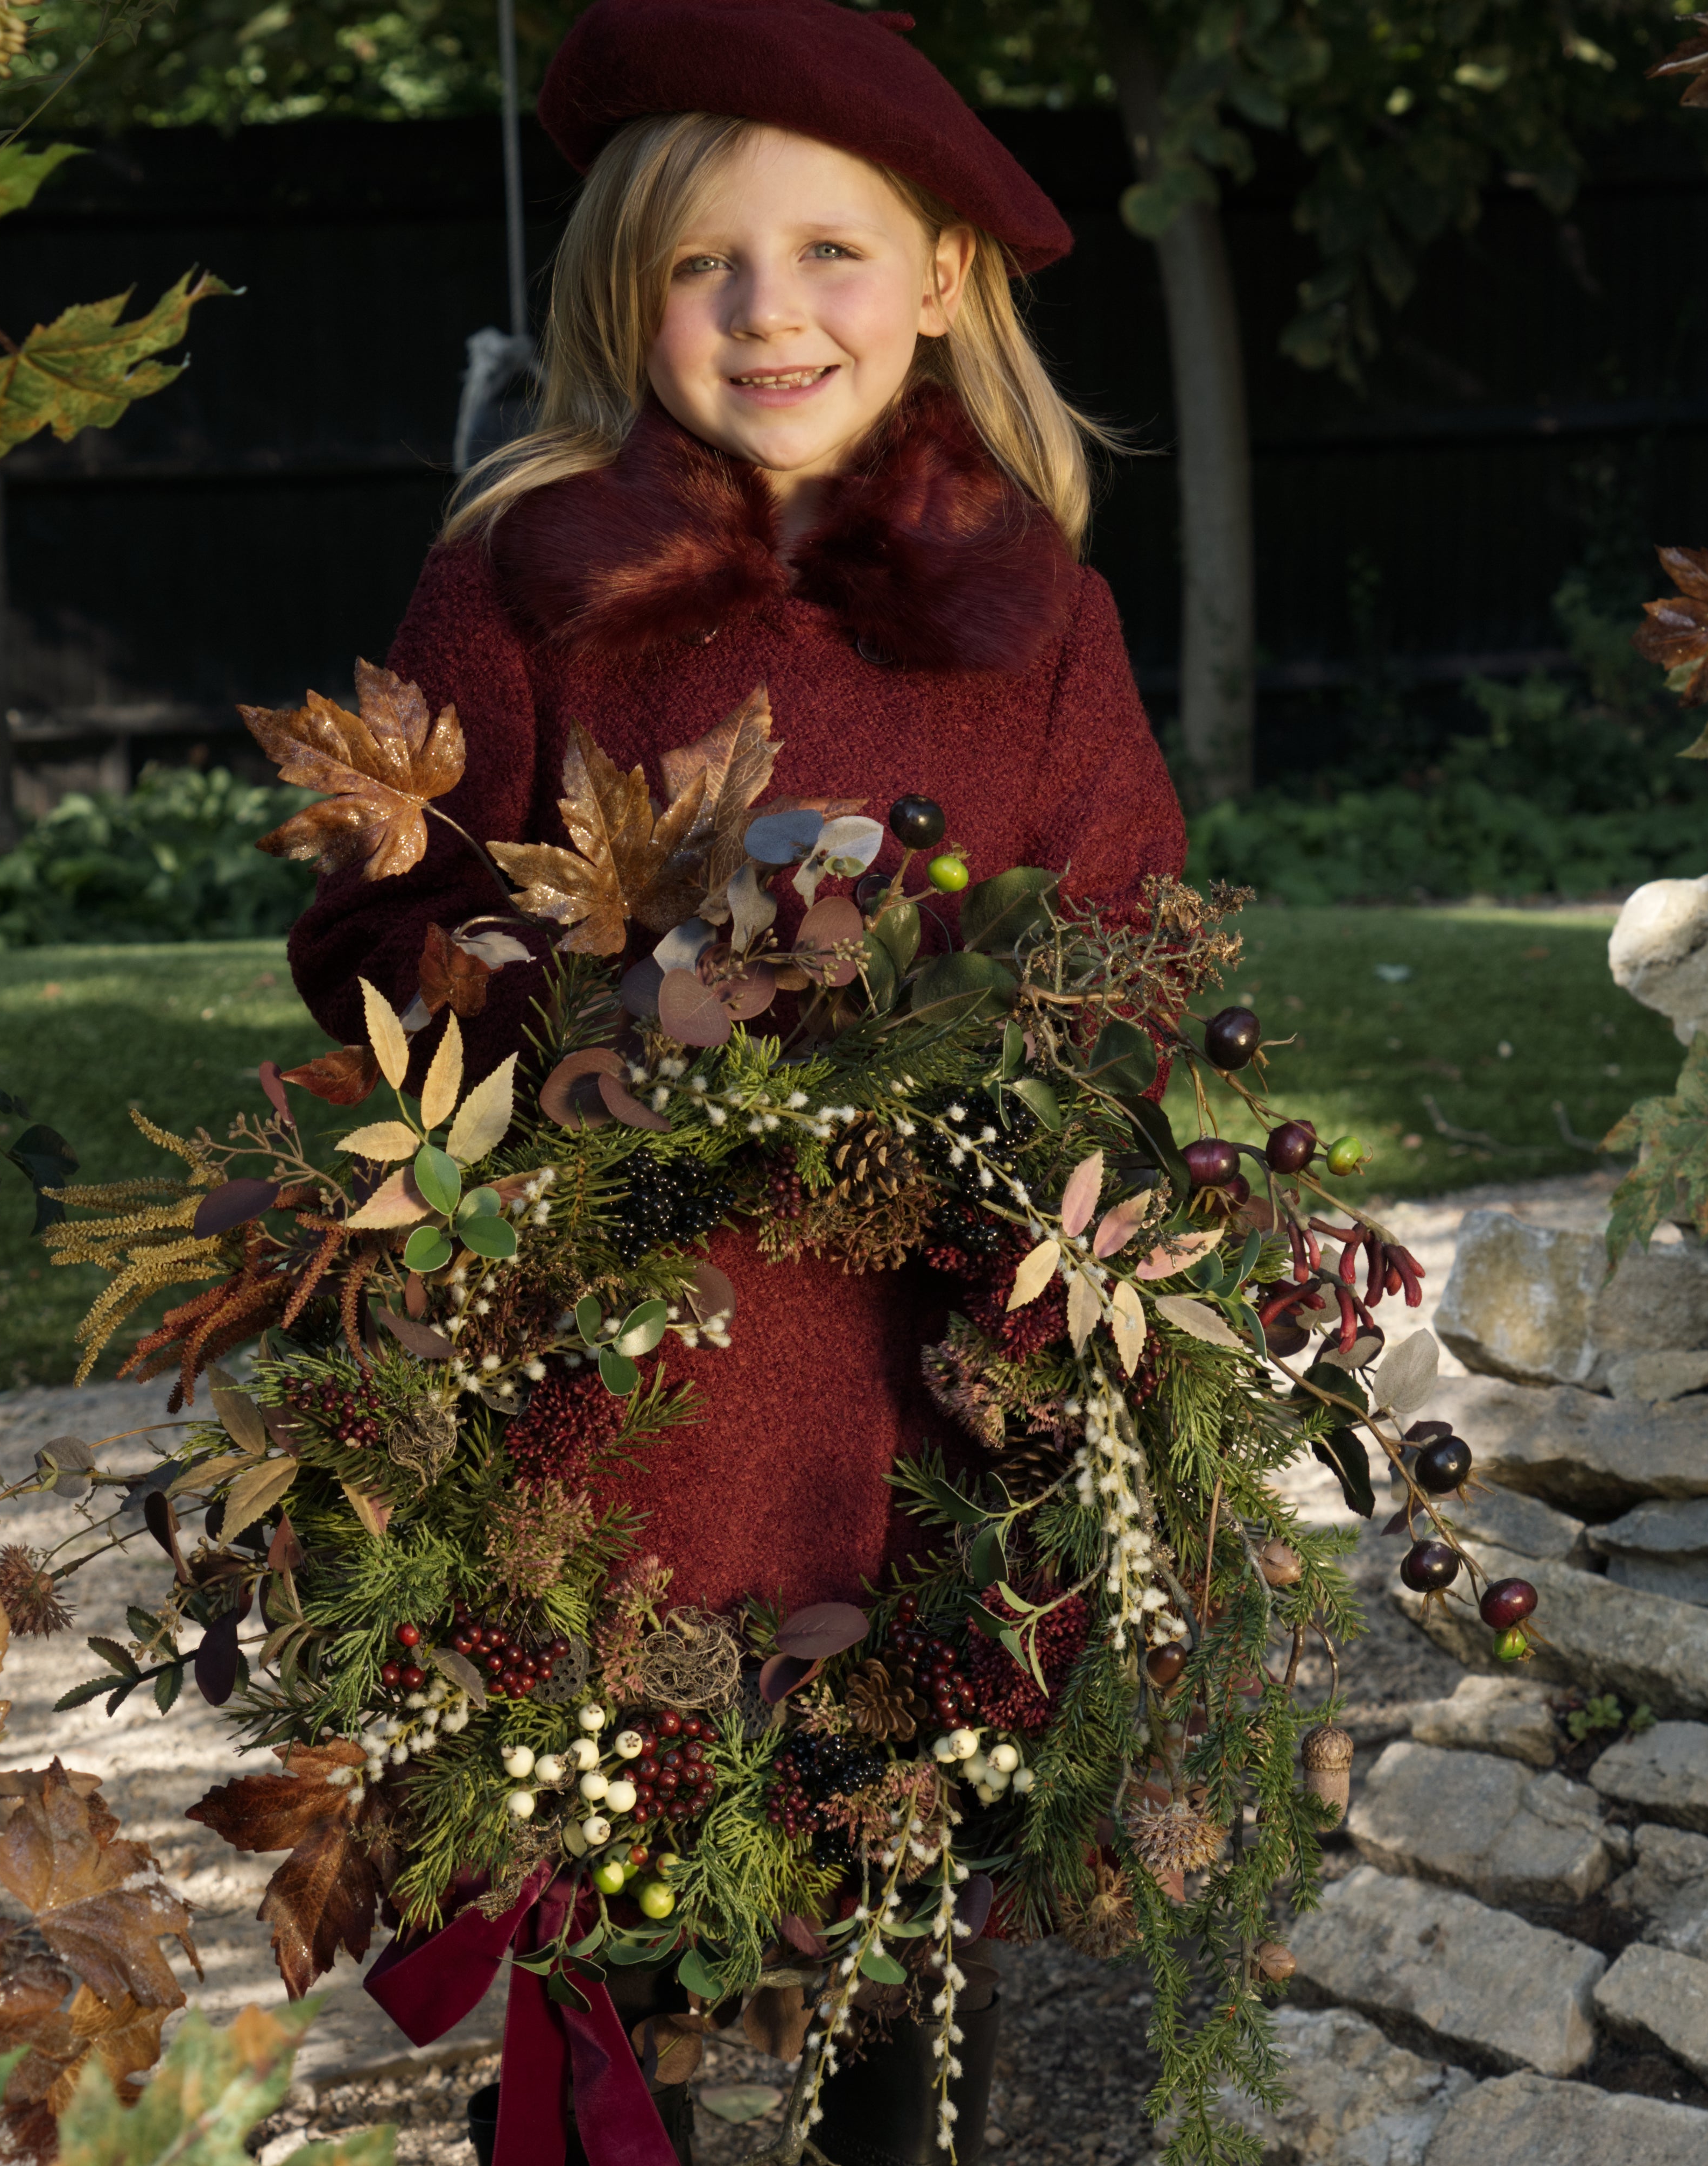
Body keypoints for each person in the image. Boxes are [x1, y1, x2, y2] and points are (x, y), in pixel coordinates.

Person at [292, 1, 1187, 2153]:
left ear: (946, 278)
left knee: (887, 1913)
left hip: (915, 1380)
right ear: (626, 290)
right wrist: (598, 1000)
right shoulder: (519, 584)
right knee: (645, 1917)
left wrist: (1077, 1117)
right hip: (623, 1404)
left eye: (829, 253)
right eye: (708, 264)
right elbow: (365, 931)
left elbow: (1128, 935)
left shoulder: (1033, 613)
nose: (770, 311)